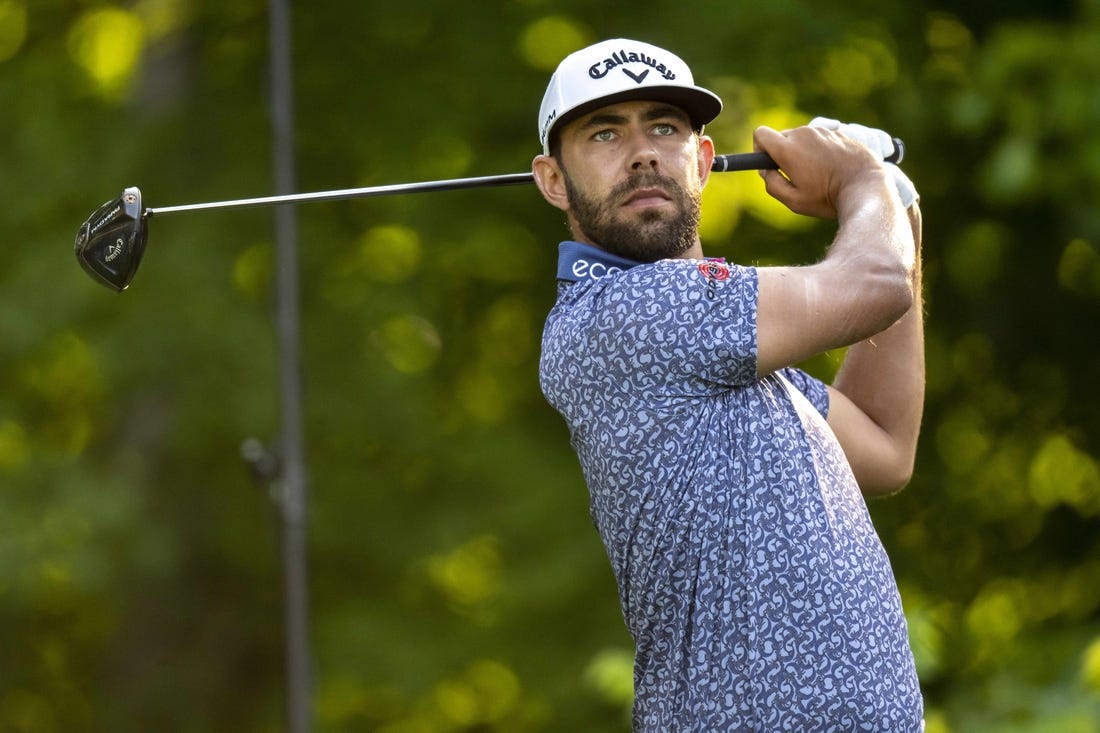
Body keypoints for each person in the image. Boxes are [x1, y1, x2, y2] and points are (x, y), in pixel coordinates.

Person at [532, 38, 925, 731]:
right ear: (553, 180)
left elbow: (883, 440)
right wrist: (862, 183)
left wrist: (899, 210)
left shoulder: (734, 352)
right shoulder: (623, 315)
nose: (643, 151)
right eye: (604, 132)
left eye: (664, 126)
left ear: (704, 161)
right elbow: (876, 282)